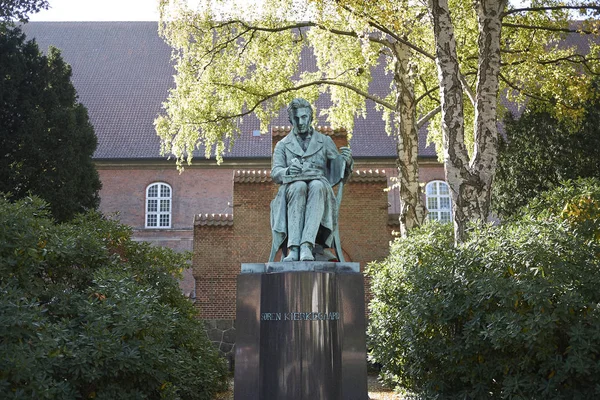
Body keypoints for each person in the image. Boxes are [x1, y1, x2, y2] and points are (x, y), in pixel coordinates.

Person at [270, 98, 353, 262]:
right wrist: (287, 170)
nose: (301, 122)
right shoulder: (282, 145)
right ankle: (293, 248)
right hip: (291, 192)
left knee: (316, 185)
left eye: (304, 117)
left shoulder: (325, 141)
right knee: (299, 186)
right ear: (291, 119)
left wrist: (346, 161)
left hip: (320, 189)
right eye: (296, 118)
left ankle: (307, 245)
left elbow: (337, 169)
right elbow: (275, 173)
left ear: (310, 117)